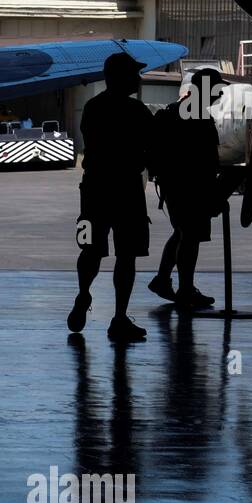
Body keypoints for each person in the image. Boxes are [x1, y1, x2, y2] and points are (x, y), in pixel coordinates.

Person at [67, 52, 153, 342]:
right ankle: (118, 318)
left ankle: (83, 294)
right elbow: (152, 148)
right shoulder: (137, 112)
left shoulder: (92, 108)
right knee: (126, 255)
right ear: (121, 76)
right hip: (127, 189)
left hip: (94, 188)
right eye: (133, 74)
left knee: (90, 249)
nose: (138, 79)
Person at [147, 69, 227, 311]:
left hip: (178, 187)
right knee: (189, 237)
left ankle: (164, 280)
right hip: (190, 188)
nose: (220, 93)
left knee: (182, 234)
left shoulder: (182, 110)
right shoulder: (193, 115)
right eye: (216, 88)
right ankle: (185, 289)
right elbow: (200, 159)